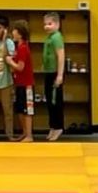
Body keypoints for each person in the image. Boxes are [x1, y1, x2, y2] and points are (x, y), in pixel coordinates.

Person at [9, 20, 35, 142]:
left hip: (26, 84)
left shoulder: (23, 48)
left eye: (14, 30)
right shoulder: (18, 47)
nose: (12, 32)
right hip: (19, 83)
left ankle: (29, 135)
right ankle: (25, 133)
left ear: (19, 33)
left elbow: (20, 67)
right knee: (20, 109)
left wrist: (10, 62)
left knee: (27, 110)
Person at [42, 11, 66, 142]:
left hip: (55, 73)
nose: (47, 26)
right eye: (45, 24)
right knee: (49, 102)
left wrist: (60, 75)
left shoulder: (57, 37)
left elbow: (61, 56)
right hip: (48, 72)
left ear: (57, 24)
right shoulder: (49, 37)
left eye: (50, 24)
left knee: (55, 101)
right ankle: (52, 126)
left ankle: (58, 127)